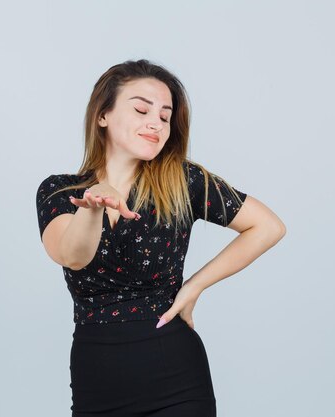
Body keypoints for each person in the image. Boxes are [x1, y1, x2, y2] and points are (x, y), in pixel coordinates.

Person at [35, 59, 286, 417]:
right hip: (98, 382)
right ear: (102, 115)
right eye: (141, 109)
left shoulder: (184, 181)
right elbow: (71, 256)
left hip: (177, 377)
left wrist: (195, 286)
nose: (156, 122)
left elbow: (268, 226)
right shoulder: (59, 191)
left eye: (166, 116)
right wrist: (93, 205)